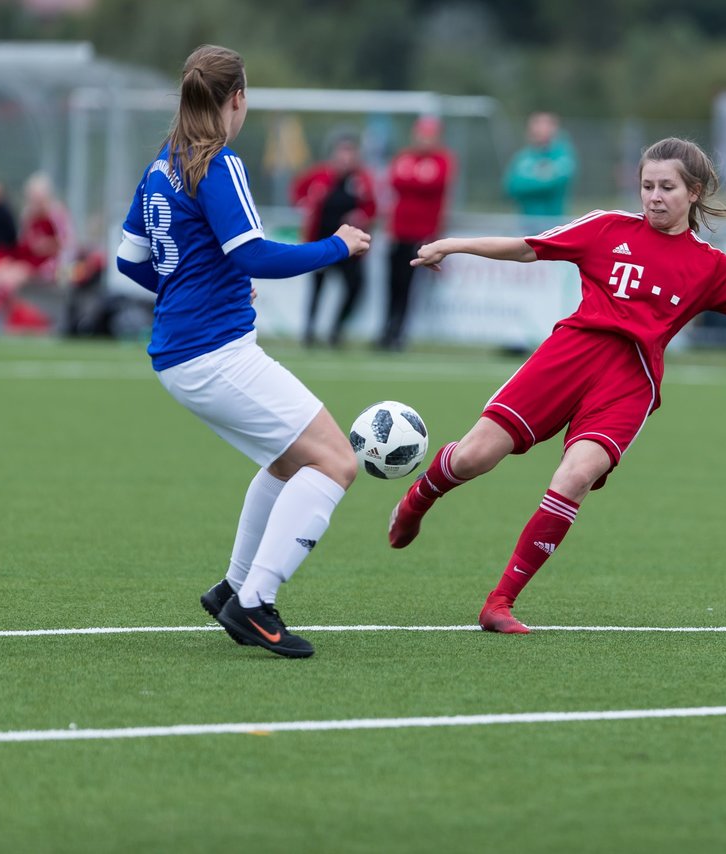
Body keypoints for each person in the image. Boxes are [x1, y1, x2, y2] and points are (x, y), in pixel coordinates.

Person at [388, 137, 726, 634]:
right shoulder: (606, 227)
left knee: (575, 475)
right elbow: (526, 248)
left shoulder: (709, 265)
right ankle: (419, 499)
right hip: (569, 357)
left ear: (693, 192)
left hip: (629, 381)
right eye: (647, 185)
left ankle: (500, 602)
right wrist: (453, 244)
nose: (654, 196)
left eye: (667, 187)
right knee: (475, 456)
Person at [115, 45, 372, 658]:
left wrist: (192, 287)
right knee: (337, 463)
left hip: (184, 353)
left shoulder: (163, 164)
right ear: (238, 98)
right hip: (215, 353)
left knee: (290, 463)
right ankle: (254, 602)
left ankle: (232, 587)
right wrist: (336, 245)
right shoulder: (218, 162)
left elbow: (130, 261)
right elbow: (253, 254)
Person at [291, 132, 377, 347]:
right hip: (323, 241)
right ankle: (309, 332)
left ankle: (336, 330)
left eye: (350, 152)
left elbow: (372, 207)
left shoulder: (361, 179)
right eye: (342, 152)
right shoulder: (320, 175)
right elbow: (297, 190)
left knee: (355, 287)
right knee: (317, 287)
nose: (346, 157)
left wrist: (362, 217)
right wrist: (305, 206)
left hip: (349, 246)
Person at [379, 115, 455, 351]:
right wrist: (415, 181)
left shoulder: (442, 160)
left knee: (409, 285)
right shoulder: (404, 156)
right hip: (398, 231)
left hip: (422, 234)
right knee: (392, 284)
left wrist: (411, 180)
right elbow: (395, 180)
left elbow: (433, 184)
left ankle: (399, 333)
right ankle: (385, 330)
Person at [0, 173, 71, 333]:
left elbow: (66, 243)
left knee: (10, 277)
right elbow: (23, 246)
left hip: (49, 265)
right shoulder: (29, 216)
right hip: (29, 262)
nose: (34, 201)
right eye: (31, 197)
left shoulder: (55, 214)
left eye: (37, 197)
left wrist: (46, 245)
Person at [502, 112, 576, 226]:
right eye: (535, 126)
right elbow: (511, 186)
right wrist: (541, 179)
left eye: (544, 126)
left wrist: (527, 183)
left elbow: (556, 182)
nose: (538, 131)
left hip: (553, 223)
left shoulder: (562, 154)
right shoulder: (523, 156)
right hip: (526, 223)